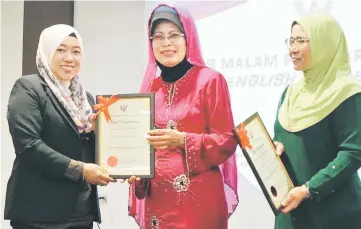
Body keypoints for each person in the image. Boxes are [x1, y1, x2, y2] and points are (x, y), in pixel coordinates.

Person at [128, 4, 239, 229]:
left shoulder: (210, 80)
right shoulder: (150, 89)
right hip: (157, 204)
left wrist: (182, 141)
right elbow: (142, 148)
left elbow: (226, 140)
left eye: (173, 35)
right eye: (158, 37)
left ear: (187, 37)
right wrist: (138, 174)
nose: (166, 43)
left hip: (197, 206)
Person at [4, 24, 117, 229]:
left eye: (76, 51)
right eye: (60, 49)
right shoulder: (28, 88)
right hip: (39, 214)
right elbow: (29, 146)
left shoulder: (87, 99)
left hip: (81, 212)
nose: (69, 58)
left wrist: (116, 159)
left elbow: (86, 151)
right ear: (47, 52)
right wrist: (80, 170)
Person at [273, 12, 361, 229]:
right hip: (290, 212)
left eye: (301, 41)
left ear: (325, 43)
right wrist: (274, 148)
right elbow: (281, 138)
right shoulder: (290, 93)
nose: (293, 48)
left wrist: (309, 189)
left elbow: (353, 151)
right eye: (291, 40)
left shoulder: (347, 92)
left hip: (333, 215)